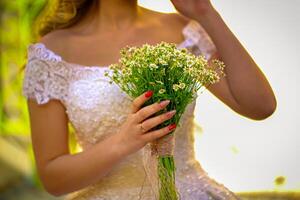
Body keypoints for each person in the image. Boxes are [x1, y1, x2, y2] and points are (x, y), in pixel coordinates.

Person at [22, 0, 277, 199]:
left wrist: (204, 12)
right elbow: (53, 179)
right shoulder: (51, 54)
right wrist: (125, 141)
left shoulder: (182, 30)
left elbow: (260, 106)